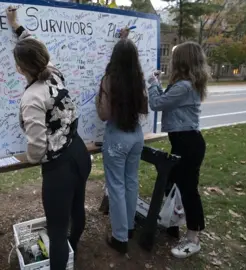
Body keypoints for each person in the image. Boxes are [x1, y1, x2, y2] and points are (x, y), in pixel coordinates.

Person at [6, 7, 92, 269]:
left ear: (20, 69)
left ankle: (62, 260)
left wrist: (31, 159)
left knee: (56, 228)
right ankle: (73, 250)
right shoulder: (53, 71)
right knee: (77, 207)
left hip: (59, 168)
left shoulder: (32, 98)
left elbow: (37, 144)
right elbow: (37, 46)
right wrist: (16, 26)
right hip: (79, 153)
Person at [147, 41, 209, 259]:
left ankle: (193, 239)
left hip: (188, 144)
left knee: (189, 190)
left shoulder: (184, 86)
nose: (171, 60)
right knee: (171, 182)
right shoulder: (185, 84)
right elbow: (167, 100)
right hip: (183, 141)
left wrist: (152, 83)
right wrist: (159, 83)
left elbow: (156, 103)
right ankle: (173, 223)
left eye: (175, 57)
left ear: (182, 61)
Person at [96, 28, 148, 254]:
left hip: (117, 136)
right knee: (131, 182)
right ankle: (128, 228)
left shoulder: (109, 80)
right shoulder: (139, 78)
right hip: (136, 135)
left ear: (114, 58)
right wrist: (124, 39)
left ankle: (119, 238)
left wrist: (99, 100)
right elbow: (145, 107)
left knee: (116, 186)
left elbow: (104, 114)